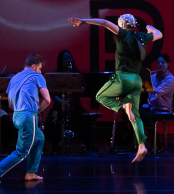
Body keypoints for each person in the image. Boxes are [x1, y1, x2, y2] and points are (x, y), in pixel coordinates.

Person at [68, 14, 162, 163]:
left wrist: (84, 21)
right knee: (135, 114)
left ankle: (123, 107)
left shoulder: (123, 34)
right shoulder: (142, 37)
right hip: (137, 80)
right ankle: (142, 145)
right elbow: (159, 34)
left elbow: (105, 23)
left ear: (122, 24)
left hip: (123, 78)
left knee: (101, 96)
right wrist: (151, 28)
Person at [0, 54, 50, 183]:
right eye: (39, 68)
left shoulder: (14, 78)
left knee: (39, 139)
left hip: (16, 116)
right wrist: (37, 111)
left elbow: (10, 104)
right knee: (22, 151)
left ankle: (31, 173)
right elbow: (47, 100)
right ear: (33, 66)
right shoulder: (37, 76)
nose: (40, 71)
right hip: (28, 116)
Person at [45, 50, 89, 154]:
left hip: (75, 105)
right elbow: (52, 93)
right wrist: (62, 102)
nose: (68, 60)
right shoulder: (55, 74)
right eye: (65, 58)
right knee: (49, 122)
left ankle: (84, 145)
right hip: (59, 105)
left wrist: (80, 89)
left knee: (87, 119)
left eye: (70, 58)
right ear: (60, 61)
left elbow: (83, 88)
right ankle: (56, 145)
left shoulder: (77, 73)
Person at [140, 54, 174, 151]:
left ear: (168, 64)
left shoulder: (170, 79)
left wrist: (145, 84)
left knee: (146, 116)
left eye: (163, 62)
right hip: (152, 106)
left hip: (163, 108)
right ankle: (137, 146)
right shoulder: (152, 77)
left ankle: (157, 144)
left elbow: (158, 92)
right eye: (158, 63)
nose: (160, 64)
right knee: (133, 114)